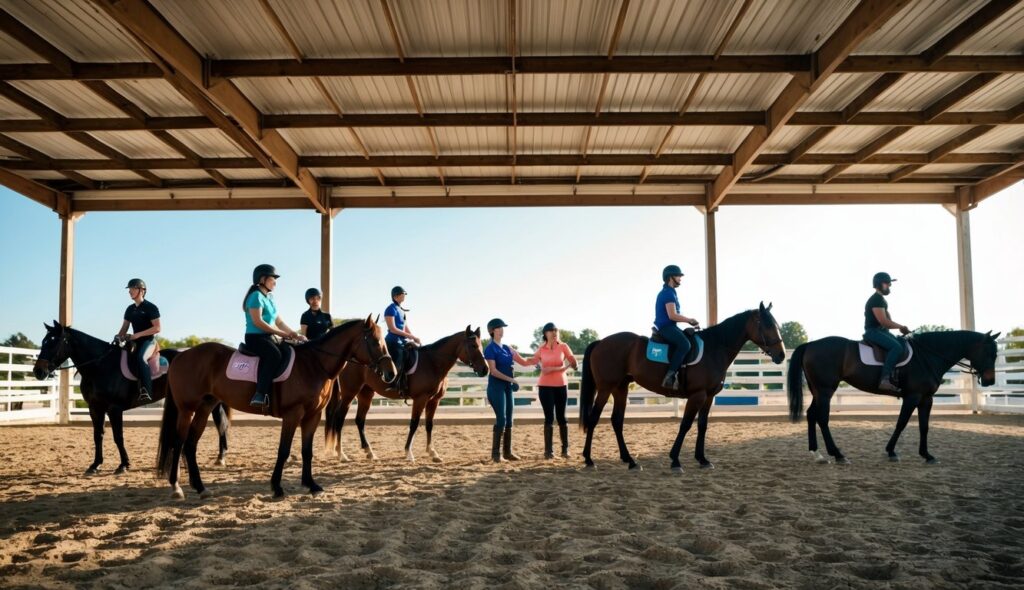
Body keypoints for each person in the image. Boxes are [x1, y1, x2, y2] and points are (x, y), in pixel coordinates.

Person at [244, 264, 306, 407]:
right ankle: (259, 394)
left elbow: (279, 321)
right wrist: (280, 333)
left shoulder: (270, 297)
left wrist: (294, 335)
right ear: (262, 279)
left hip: (269, 337)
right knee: (274, 355)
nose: (275, 282)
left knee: (290, 351)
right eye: (273, 279)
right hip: (255, 338)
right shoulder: (255, 296)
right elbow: (258, 322)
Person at [484, 318, 535, 463]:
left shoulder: (507, 348)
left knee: (510, 420)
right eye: (499, 328)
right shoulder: (490, 349)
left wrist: (537, 358)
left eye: (502, 328)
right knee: (501, 419)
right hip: (496, 387)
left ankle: (508, 452)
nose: (502, 330)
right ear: (492, 331)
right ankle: (495, 454)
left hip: (507, 387)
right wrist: (512, 380)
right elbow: (493, 371)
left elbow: (524, 362)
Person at [534, 322, 578, 459]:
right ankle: (549, 451)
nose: (554, 333)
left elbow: (571, 359)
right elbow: (534, 361)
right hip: (545, 387)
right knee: (549, 418)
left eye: (556, 331)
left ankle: (565, 450)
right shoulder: (541, 349)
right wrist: (538, 365)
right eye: (551, 331)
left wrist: (573, 363)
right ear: (545, 334)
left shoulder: (563, 346)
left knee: (561, 417)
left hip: (561, 385)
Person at [654, 265, 700, 390]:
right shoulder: (668, 293)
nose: (680, 278)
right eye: (678, 276)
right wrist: (689, 320)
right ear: (671, 277)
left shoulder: (670, 292)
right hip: (666, 327)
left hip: (671, 326)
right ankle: (670, 376)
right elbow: (672, 315)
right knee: (685, 345)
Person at [863, 271, 911, 393]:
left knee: (902, 342)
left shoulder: (882, 300)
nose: (889, 286)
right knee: (896, 348)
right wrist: (901, 327)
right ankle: (884, 380)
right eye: (887, 283)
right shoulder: (876, 300)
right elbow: (884, 322)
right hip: (873, 332)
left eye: (890, 284)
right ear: (879, 284)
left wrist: (903, 330)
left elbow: (889, 321)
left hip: (882, 331)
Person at [115, 278, 161, 403]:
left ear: (141, 290)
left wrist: (138, 335)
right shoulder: (130, 309)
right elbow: (124, 328)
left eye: (132, 289)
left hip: (148, 342)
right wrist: (119, 336)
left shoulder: (150, 307)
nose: (129, 291)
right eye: (129, 289)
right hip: (135, 341)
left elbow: (157, 328)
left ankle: (146, 391)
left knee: (141, 358)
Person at [384, 286, 420, 394]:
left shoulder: (401, 310)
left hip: (402, 341)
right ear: (395, 296)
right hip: (393, 341)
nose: (404, 296)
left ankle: (407, 382)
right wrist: (411, 337)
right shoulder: (390, 309)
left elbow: (405, 327)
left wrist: (414, 337)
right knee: (398, 359)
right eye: (402, 294)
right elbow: (393, 329)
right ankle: (393, 384)